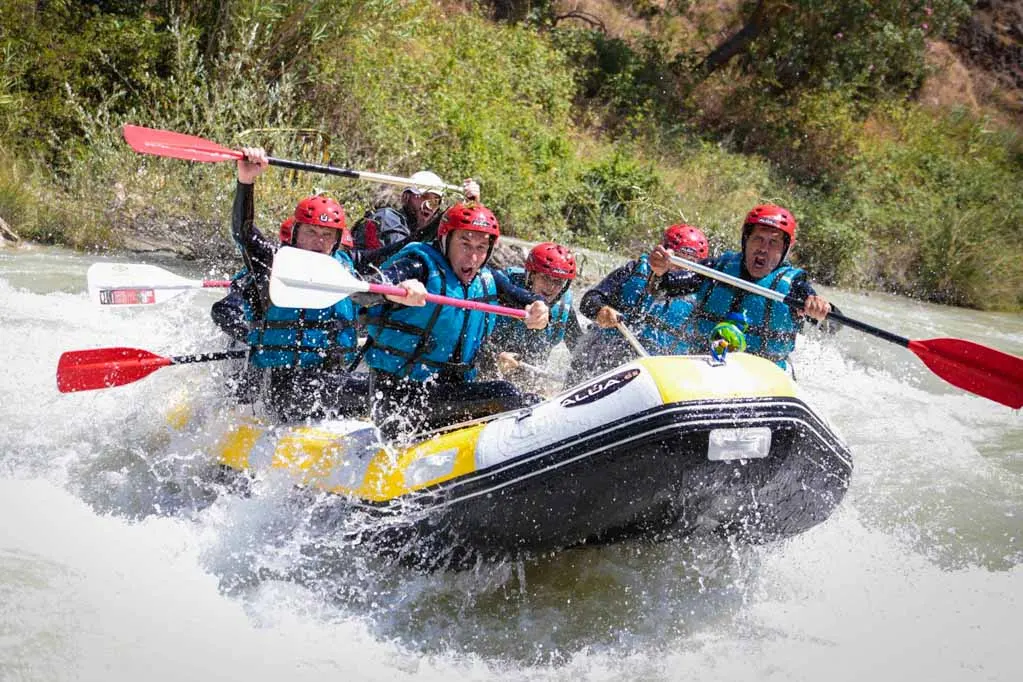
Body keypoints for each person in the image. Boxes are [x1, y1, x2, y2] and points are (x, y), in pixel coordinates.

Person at [357, 201, 550, 436]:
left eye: (481, 247)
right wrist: (395, 289)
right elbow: (364, 289)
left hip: (449, 395)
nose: (473, 256)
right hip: (399, 401)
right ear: (445, 240)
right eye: (465, 244)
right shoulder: (418, 266)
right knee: (505, 394)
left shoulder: (489, 279)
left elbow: (528, 299)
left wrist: (539, 308)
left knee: (534, 400)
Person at [211, 147, 366, 421]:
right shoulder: (273, 262)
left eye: (327, 235)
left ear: (337, 240)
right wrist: (246, 182)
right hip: (280, 381)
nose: (319, 242)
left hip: (331, 377)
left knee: (380, 390)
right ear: (295, 233)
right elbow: (243, 233)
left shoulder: (346, 268)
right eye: (311, 232)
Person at [650, 203, 833, 373]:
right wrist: (659, 271)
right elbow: (662, 288)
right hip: (707, 367)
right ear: (746, 239)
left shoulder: (795, 287)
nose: (763, 248)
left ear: (784, 249)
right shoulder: (716, 270)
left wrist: (821, 310)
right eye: (758, 239)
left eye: (773, 243)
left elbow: (832, 326)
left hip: (765, 375)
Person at [565, 224, 710, 384]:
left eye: (689, 263)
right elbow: (589, 300)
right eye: (676, 259)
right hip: (604, 358)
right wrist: (601, 310)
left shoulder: (703, 292)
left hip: (658, 375)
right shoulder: (635, 270)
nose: (680, 269)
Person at [486, 242, 584, 379]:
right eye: (545, 277)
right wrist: (495, 356)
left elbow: (579, 348)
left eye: (558, 282)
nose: (550, 287)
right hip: (488, 363)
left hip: (528, 376)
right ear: (531, 275)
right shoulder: (503, 288)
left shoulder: (563, 308)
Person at [351, 170, 480, 250]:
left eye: (435, 200)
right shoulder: (387, 218)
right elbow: (403, 254)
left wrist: (471, 206)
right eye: (423, 197)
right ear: (406, 197)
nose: (429, 206)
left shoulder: (431, 232)